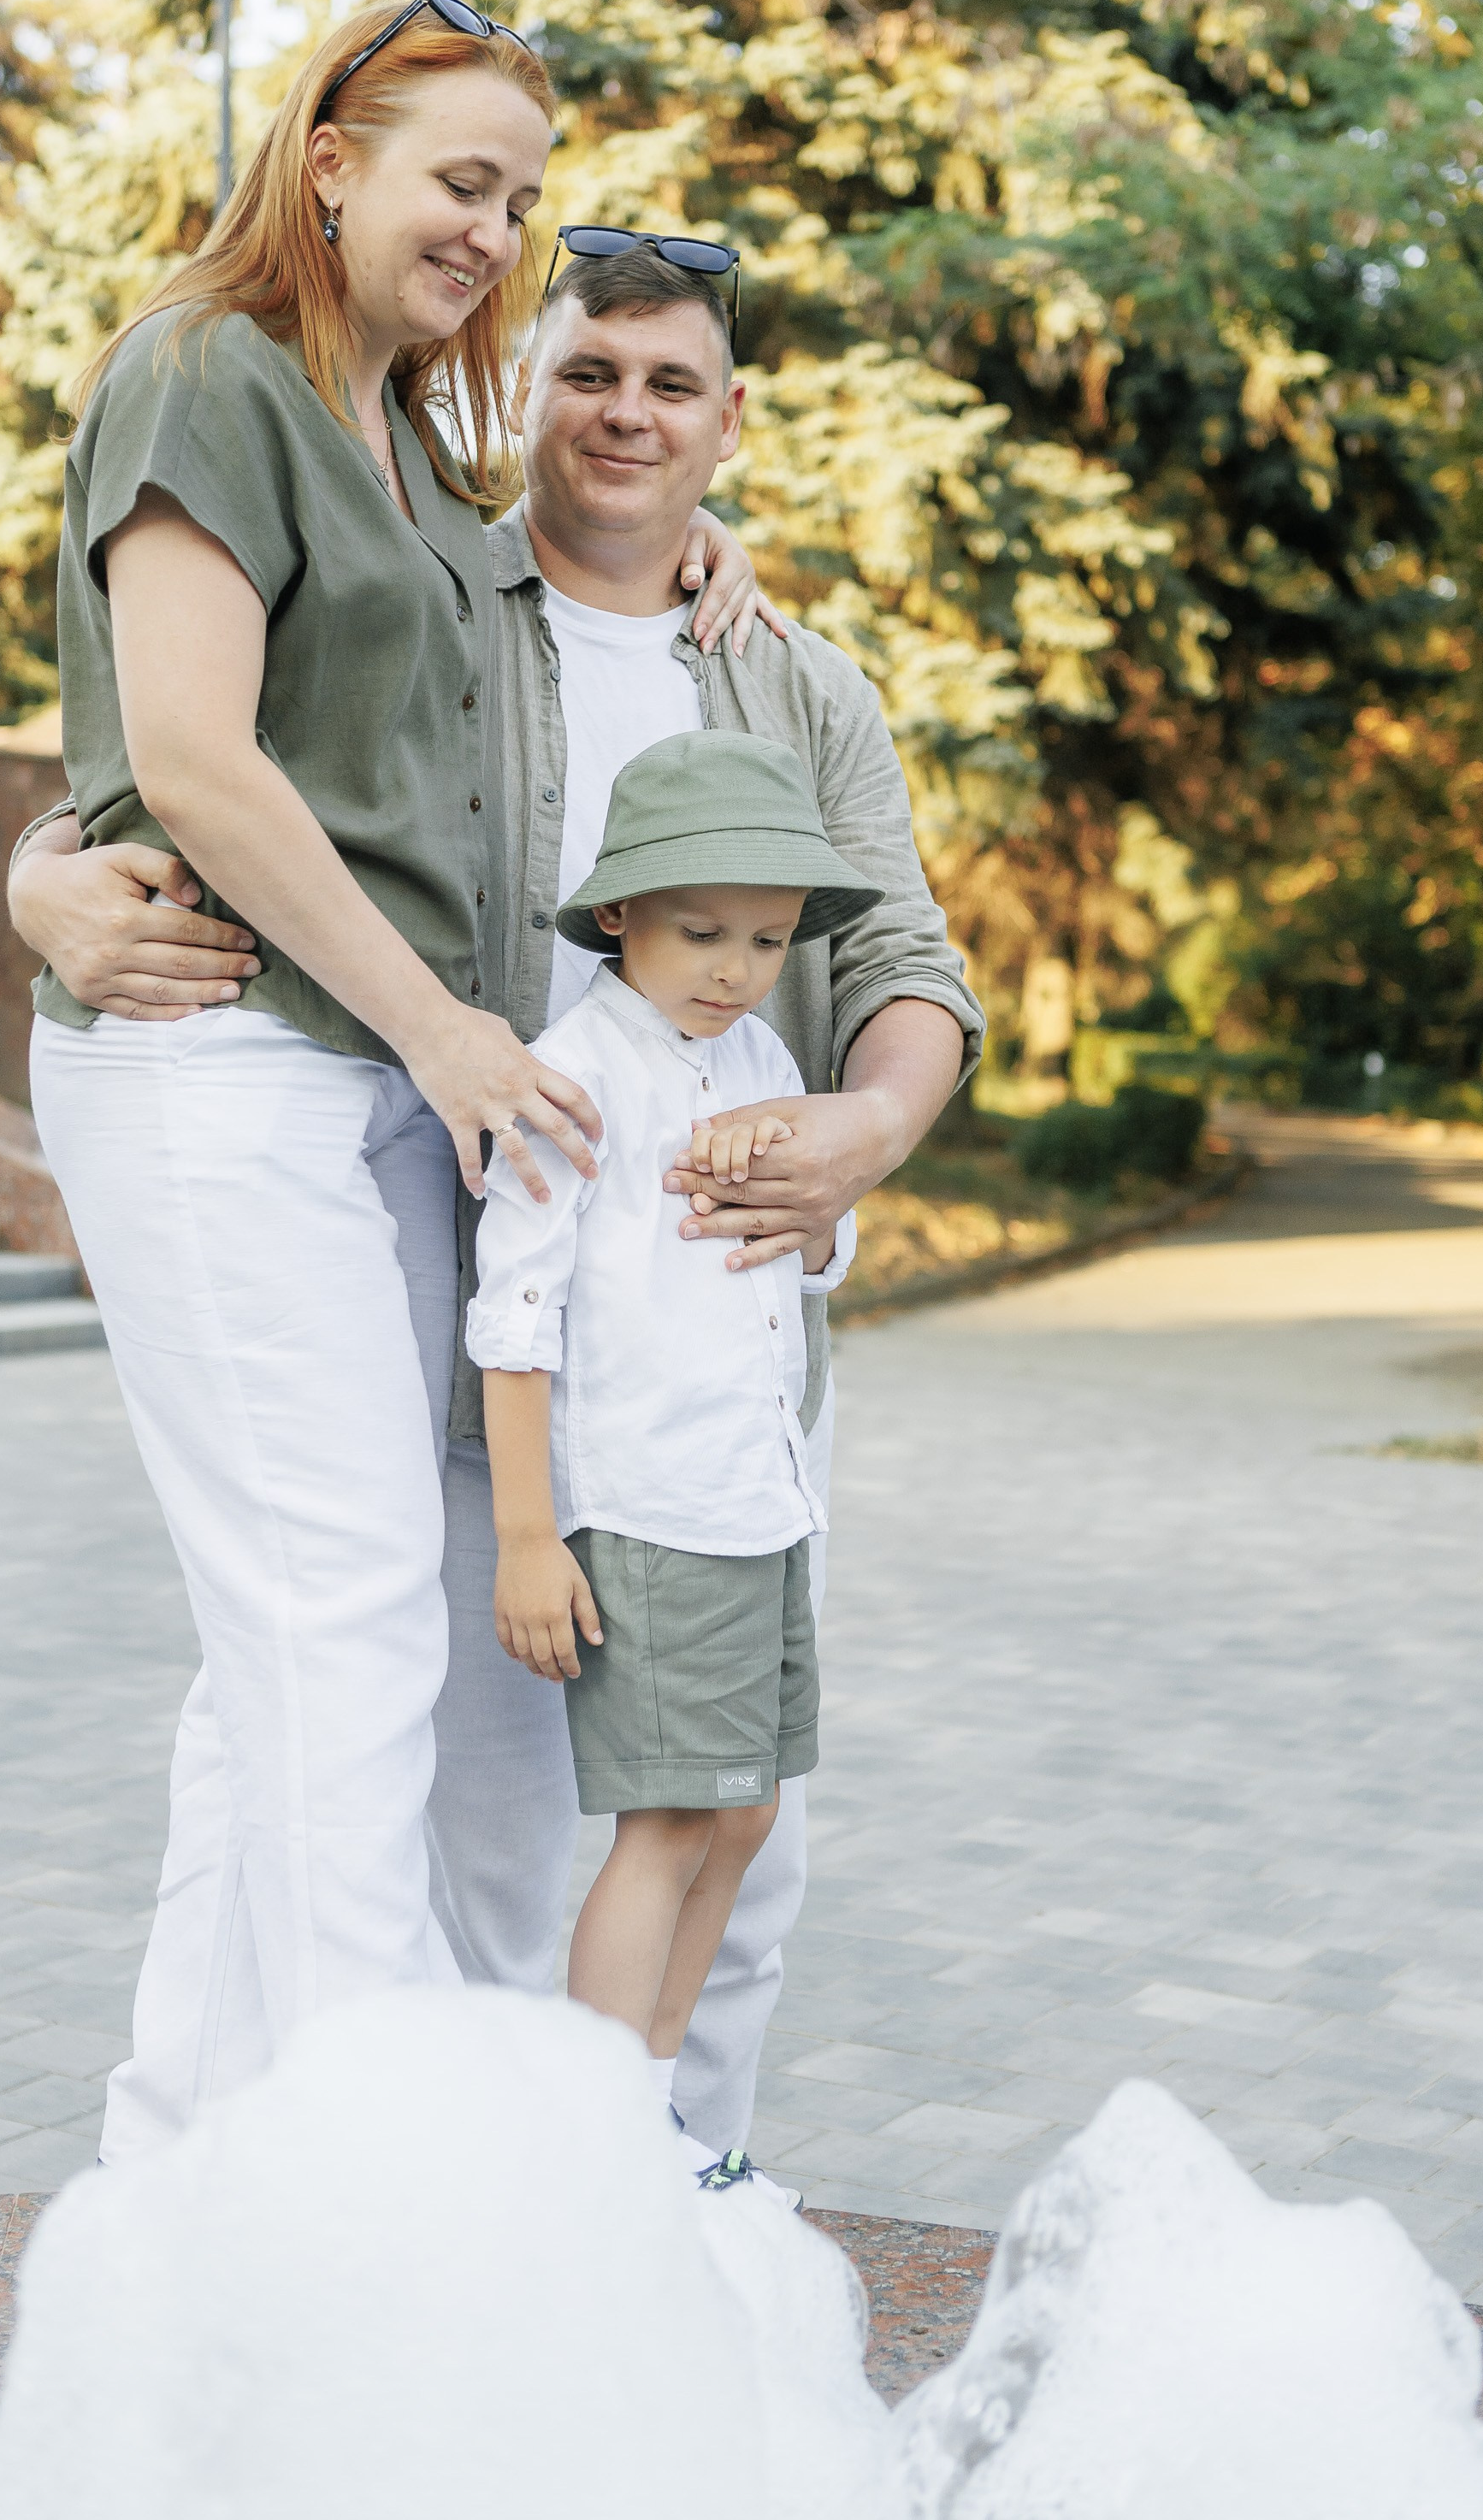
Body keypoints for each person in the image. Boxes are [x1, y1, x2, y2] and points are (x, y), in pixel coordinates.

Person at [10, 237, 984, 2172]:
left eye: (672, 383)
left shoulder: (792, 679)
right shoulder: (442, 599)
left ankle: (672, 2200)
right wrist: (38, 865)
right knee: (462, 1812)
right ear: (520, 390)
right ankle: (466, 2224)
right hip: (483, 1338)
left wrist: (871, 1130)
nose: (626, 413)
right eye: (588, 370)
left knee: (730, 1825)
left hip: (719, 1361)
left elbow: (906, 959)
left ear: (729, 422)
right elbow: (201, 758)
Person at [25, 0, 617, 2164]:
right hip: (225, 1064)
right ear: (333, 153)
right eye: (461, 177)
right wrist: (444, 1027)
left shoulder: (430, 461)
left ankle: (175, 2177)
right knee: (346, 1621)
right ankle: (376, 2191)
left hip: (371, 1086)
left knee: (283, 1654)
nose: (493, 228)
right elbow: (182, 752)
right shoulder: (210, 371)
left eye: (521, 198)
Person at [470, 732, 881, 2207]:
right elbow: (513, 1318)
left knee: (749, 1810)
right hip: (649, 1510)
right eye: (701, 930)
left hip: (757, 1494)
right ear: (620, 917)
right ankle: (599, 2129)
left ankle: (655, 2099)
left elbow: (803, 1254)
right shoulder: (574, 1078)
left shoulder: (758, 1057)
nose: (734, 965)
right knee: (670, 1820)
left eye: (767, 938)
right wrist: (531, 1537)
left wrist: (823, 1222)